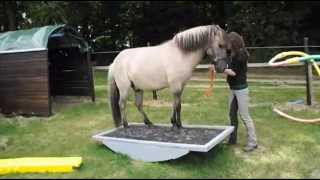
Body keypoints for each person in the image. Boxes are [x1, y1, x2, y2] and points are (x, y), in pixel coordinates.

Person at [214, 32, 258, 152]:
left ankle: (253, 142)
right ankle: (232, 139)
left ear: (234, 43)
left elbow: (233, 72)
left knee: (244, 116)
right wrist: (218, 63)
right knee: (232, 115)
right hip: (233, 89)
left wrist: (222, 69)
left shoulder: (241, 55)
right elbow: (225, 61)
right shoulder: (232, 53)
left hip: (241, 89)